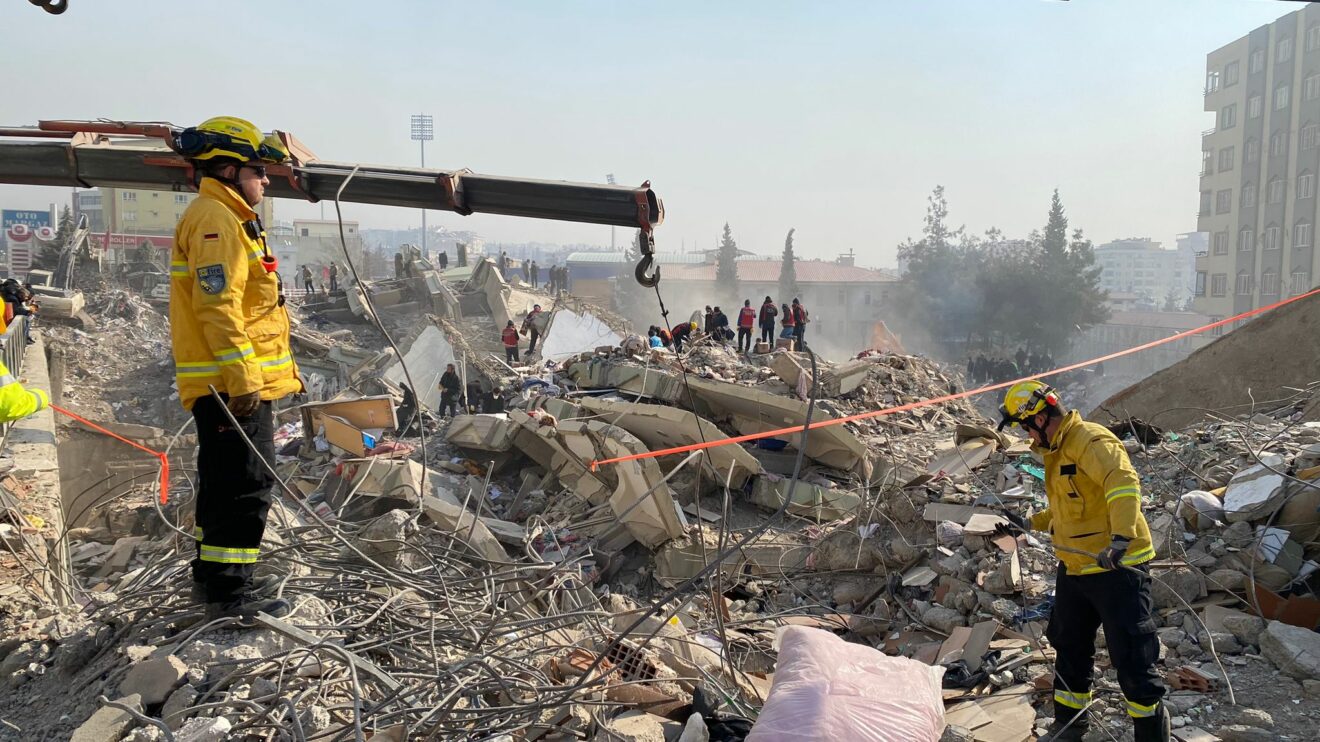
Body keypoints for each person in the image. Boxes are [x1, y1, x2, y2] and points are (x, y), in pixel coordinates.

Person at [169, 115, 301, 620]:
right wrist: (244, 380)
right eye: (258, 172)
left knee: (224, 484)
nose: (265, 181)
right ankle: (230, 597)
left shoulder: (228, 216)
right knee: (246, 485)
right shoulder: (216, 220)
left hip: (229, 385)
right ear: (228, 170)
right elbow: (217, 306)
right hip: (231, 387)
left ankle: (214, 585)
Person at [995, 381, 1166, 741]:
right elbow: (1067, 511)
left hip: (1116, 568)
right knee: (1069, 647)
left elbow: (1122, 483)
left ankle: (1150, 736)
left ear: (1040, 418)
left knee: (1133, 657)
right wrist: (1027, 523)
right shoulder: (1057, 452)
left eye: (1025, 426)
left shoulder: (1090, 440)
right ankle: (1070, 727)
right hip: (1075, 568)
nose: (1026, 435)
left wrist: (1121, 540)